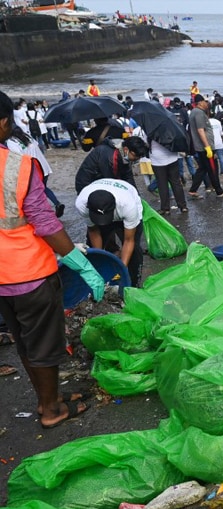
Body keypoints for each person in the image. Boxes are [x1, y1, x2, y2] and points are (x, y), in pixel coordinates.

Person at [0, 89, 104, 429]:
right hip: (28, 274)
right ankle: (51, 409)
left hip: (3, 283)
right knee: (44, 345)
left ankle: (50, 398)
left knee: (26, 343)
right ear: (3, 122)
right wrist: (81, 262)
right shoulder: (17, 167)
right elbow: (45, 224)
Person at [75, 178, 145, 287]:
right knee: (91, 250)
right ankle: (96, 279)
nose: (103, 223)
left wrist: (122, 269)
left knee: (134, 251)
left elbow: (128, 240)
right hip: (101, 203)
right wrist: (99, 260)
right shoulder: (81, 204)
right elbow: (93, 231)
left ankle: (133, 284)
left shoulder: (128, 206)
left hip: (125, 209)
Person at [186, 94, 223, 199]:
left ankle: (193, 190)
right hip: (205, 147)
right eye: (205, 101)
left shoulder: (195, 112)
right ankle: (219, 192)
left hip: (201, 146)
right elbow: (200, 130)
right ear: (200, 103)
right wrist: (207, 147)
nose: (207, 103)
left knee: (202, 168)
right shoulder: (198, 113)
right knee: (213, 169)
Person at [75, 135, 147, 193]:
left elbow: (128, 176)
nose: (137, 159)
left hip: (100, 181)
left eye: (139, 157)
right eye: (135, 156)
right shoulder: (111, 157)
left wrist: (136, 196)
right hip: (87, 185)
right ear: (126, 149)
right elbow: (112, 182)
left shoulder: (123, 155)